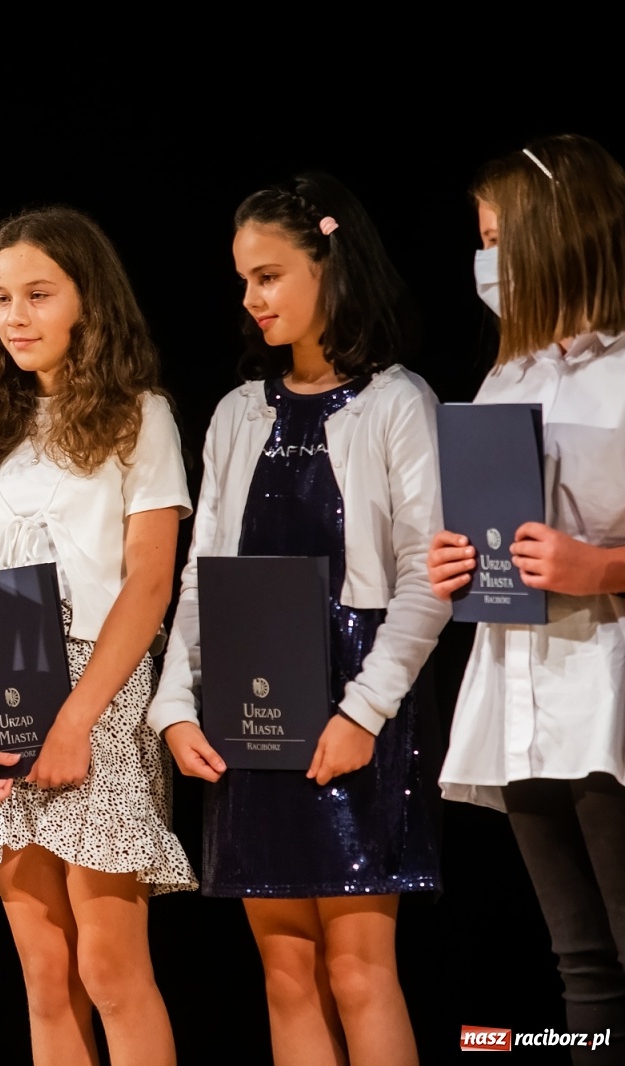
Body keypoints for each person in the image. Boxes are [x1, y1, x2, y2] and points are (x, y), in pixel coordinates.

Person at [151, 173, 449, 1066]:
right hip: (255, 695)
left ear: (330, 266)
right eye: (244, 281)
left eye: (270, 276)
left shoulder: (398, 402)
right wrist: (174, 707)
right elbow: (201, 579)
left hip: (358, 695)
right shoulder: (238, 412)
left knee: (359, 969)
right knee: (285, 971)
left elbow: (426, 578)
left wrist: (363, 714)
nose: (252, 300)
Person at [0, 207, 194, 1066]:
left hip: (99, 688)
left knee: (111, 967)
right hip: (6, 681)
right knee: (45, 976)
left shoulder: (138, 416)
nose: (16, 316)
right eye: (2, 298)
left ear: (88, 300)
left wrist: (80, 716)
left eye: (39, 294)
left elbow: (150, 581)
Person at [430, 135, 625, 1062]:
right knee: (579, 968)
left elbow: (594, 554)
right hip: (523, 690)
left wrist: (603, 568)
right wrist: (454, 560)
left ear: (557, 233)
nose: (487, 262)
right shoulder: (508, 374)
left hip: (610, 693)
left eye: (499, 237)